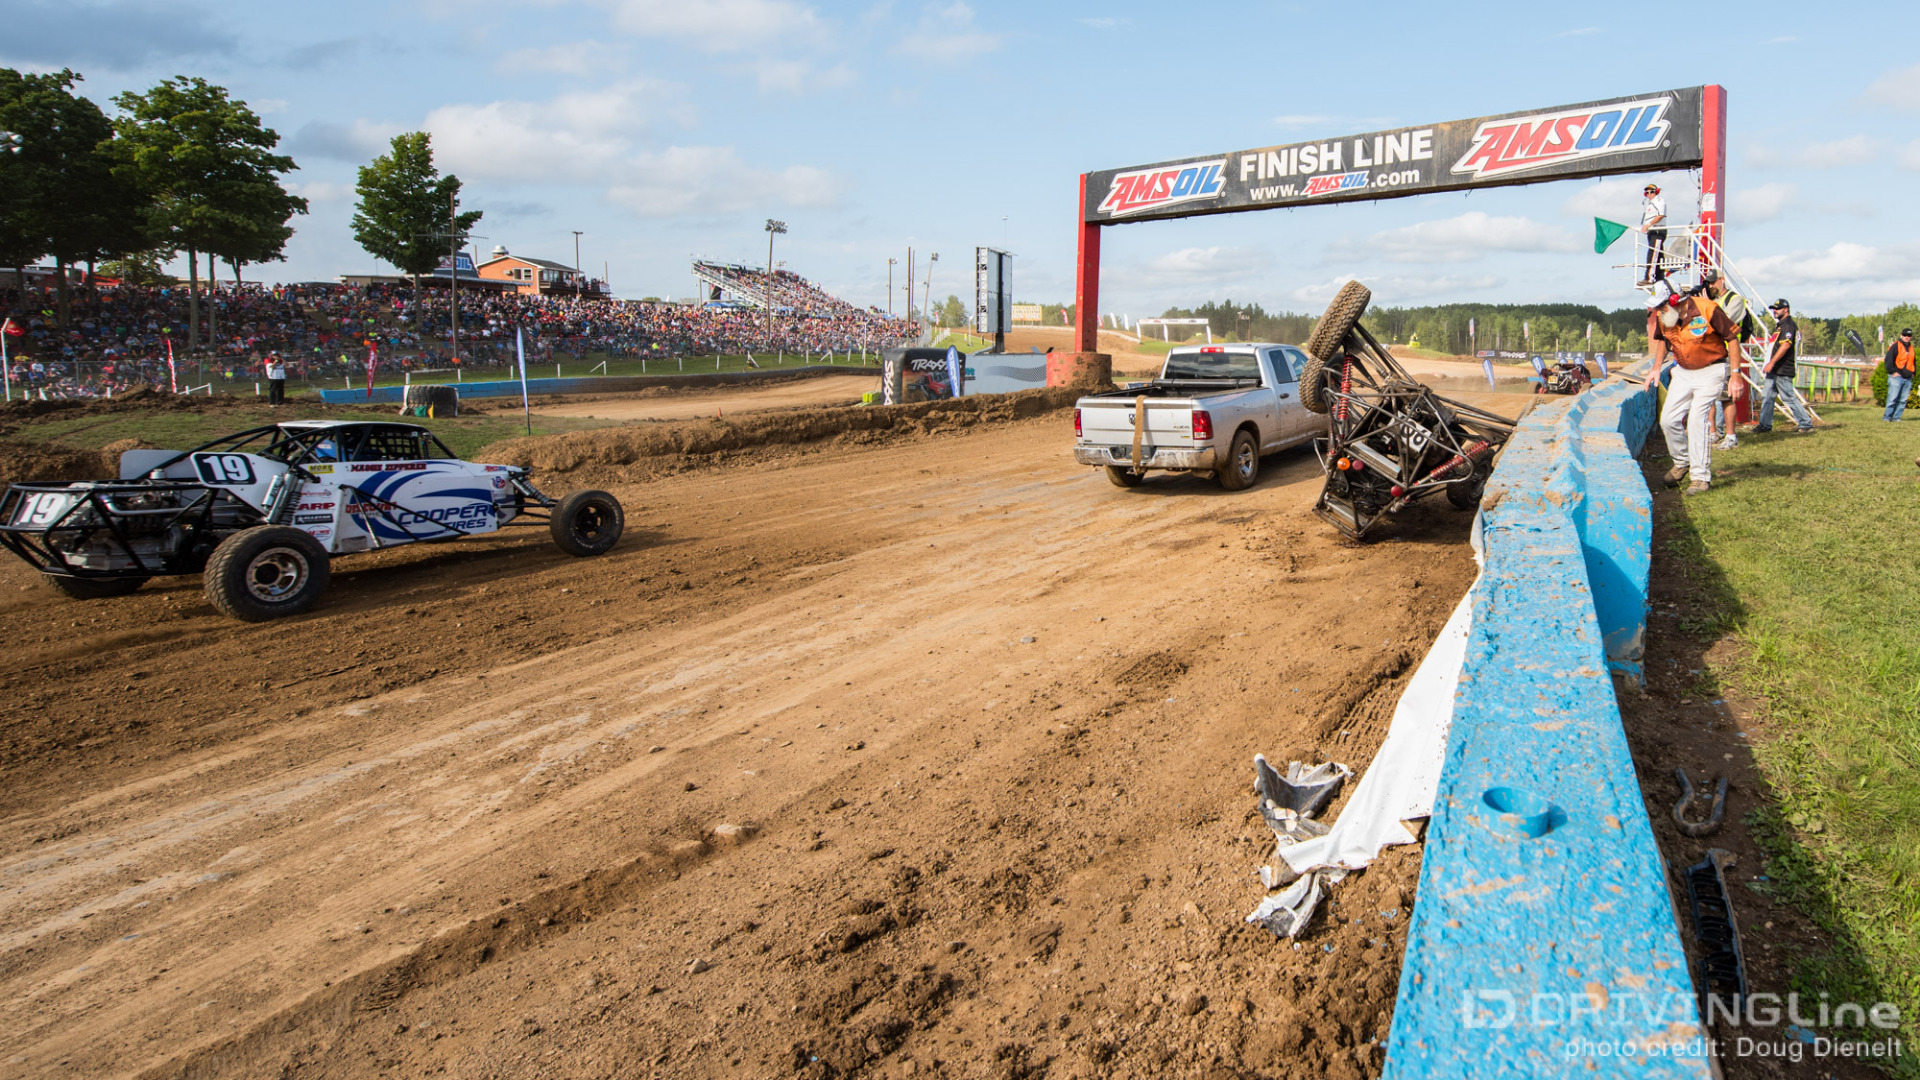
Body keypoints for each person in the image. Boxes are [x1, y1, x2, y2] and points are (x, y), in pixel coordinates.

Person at [1645, 281, 1740, 494]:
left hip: (1711, 370)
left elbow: (1732, 339)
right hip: (1683, 371)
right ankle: (1682, 462)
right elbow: (1664, 341)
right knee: (1668, 419)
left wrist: (1735, 375)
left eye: (1661, 305)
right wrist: (1656, 368)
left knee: (1697, 419)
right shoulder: (1665, 317)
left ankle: (1700, 477)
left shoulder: (1708, 309)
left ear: (1675, 300)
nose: (1658, 311)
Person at [1751, 299, 1814, 434]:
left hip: (1783, 368)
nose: (1775, 311)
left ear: (1786, 309)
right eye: (1774, 308)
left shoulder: (1789, 325)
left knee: (1788, 397)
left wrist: (1772, 362)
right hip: (1774, 369)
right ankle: (1765, 425)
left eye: (1778, 308)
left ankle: (1805, 423)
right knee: (1767, 396)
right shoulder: (1780, 326)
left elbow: (1785, 345)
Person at [1639, 183, 1668, 285]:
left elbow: (1660, 215)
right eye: (1647, 192)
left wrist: (1648, 225)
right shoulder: (1649, 204)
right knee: (1658, 254)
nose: (1649, 194)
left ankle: (1649, 278)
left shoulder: (1660, 201)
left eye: (1651, 192)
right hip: (1652, 231)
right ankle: (1660, 277)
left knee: (1653, 254)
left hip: (1657, 230)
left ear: (1656, 192)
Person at [1885, 327, 1916, 422]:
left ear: (1911, 337)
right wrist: (1892, 372)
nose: (1907, 337)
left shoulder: (1911, 347)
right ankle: (1887, 417)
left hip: (1908, 378)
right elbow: (1888, 360)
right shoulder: (1895, 346)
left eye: (1909, 335)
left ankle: (1896, 417)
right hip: (1897, 377)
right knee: (1892, 399)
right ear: (1901, 335)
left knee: (1903, 400)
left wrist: (1913, 373)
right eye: (1905, 335)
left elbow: (1913, 361)